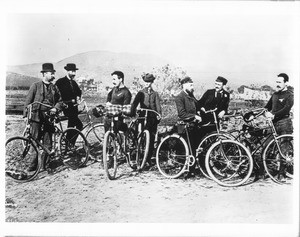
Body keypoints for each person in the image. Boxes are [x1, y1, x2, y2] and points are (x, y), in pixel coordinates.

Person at [23, 63, 63, 170]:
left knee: (48, 142)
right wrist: (26, 117)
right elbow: (28, 102)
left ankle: (45, 165)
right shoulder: (35, 86)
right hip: (36, 117)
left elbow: (60, 101)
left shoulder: (55, 88)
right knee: (34, 140)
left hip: (49, 118)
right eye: (51, 73)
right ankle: (32, 165)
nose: (53, 75)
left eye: (53, 73)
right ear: (45, 74)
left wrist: (56, 108)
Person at [131, 73, 162, 168]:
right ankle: (137, 155)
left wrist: (159, 114)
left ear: (151, 82)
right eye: (145, 82)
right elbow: (135, 103)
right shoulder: (141, 93)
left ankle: (148, 158)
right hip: (142, 116)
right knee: (139, 135)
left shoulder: (155, 94)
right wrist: (134, 111)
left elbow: (158, 106)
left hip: (152, 117)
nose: (147, 84)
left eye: (149, 82)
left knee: (151, 138)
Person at [174, 76, 202, 177]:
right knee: (187, 148)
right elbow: (182, 114)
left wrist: (200, 110)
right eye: (190, 85)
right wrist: (194, 116)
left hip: (193, 125)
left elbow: (197, 105)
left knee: (195, 147)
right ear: (184, 85)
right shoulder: (179, 97)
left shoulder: (191, 95)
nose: (192, 87)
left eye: (192, 85)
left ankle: (192, 168)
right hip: (184, 126)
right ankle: (185, 169)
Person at [55, 63, 83, 143]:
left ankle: (70, 142)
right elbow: (56, 95)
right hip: (66, 107)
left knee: (72, 125)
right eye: (72, 71)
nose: (74, 73)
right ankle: (70, 142)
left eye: (74, 71)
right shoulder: (60, 82)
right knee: (78, 125)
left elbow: (78, 92)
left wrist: (78, 97)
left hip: (74, 108)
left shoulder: (74, 83)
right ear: (67, 71)